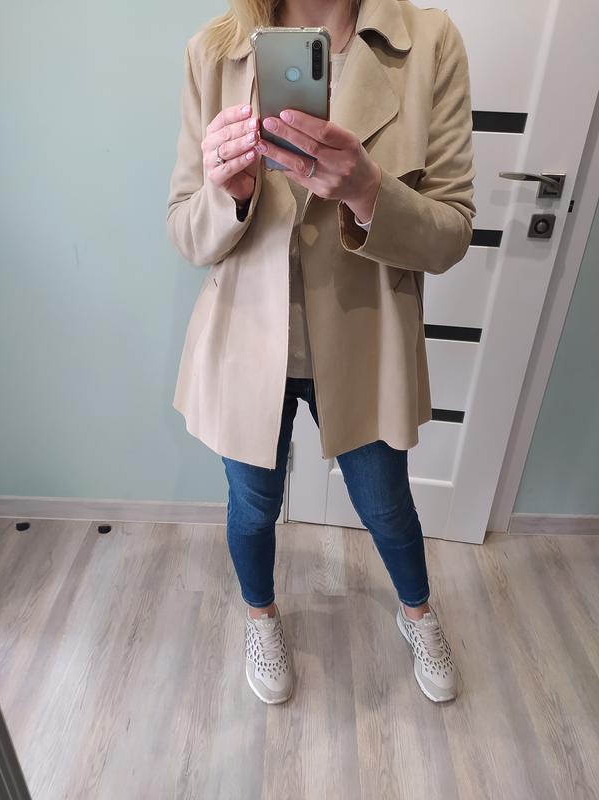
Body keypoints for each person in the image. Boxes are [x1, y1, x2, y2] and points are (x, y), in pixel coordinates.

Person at [166, 0, 476, 706]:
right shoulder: (213, 51)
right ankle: (261, 617)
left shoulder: (428, 42)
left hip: (366, 341)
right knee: (252, 507)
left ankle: (418, 613)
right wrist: (228, 196)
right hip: (247, 343)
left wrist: (369, 193)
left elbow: (452, 231)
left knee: (387, 505)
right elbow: (184, 230)